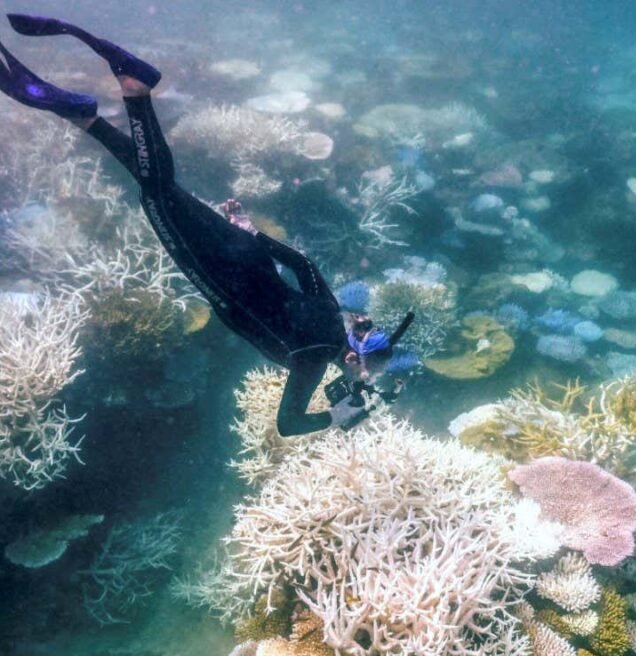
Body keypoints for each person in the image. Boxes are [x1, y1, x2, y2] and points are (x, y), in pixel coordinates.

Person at [0, 13, 413, 436]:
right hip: (216, 268)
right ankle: (136, 92)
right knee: (155, 195)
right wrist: (338, 416)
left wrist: (251, 232)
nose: (361, 382)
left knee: (165, 189)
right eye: (364, 375)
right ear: (350, 358)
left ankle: (84, 117)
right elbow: (288, 424)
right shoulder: (311, 357)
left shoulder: (332, 313)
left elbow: (303, 264)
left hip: (244, 251)